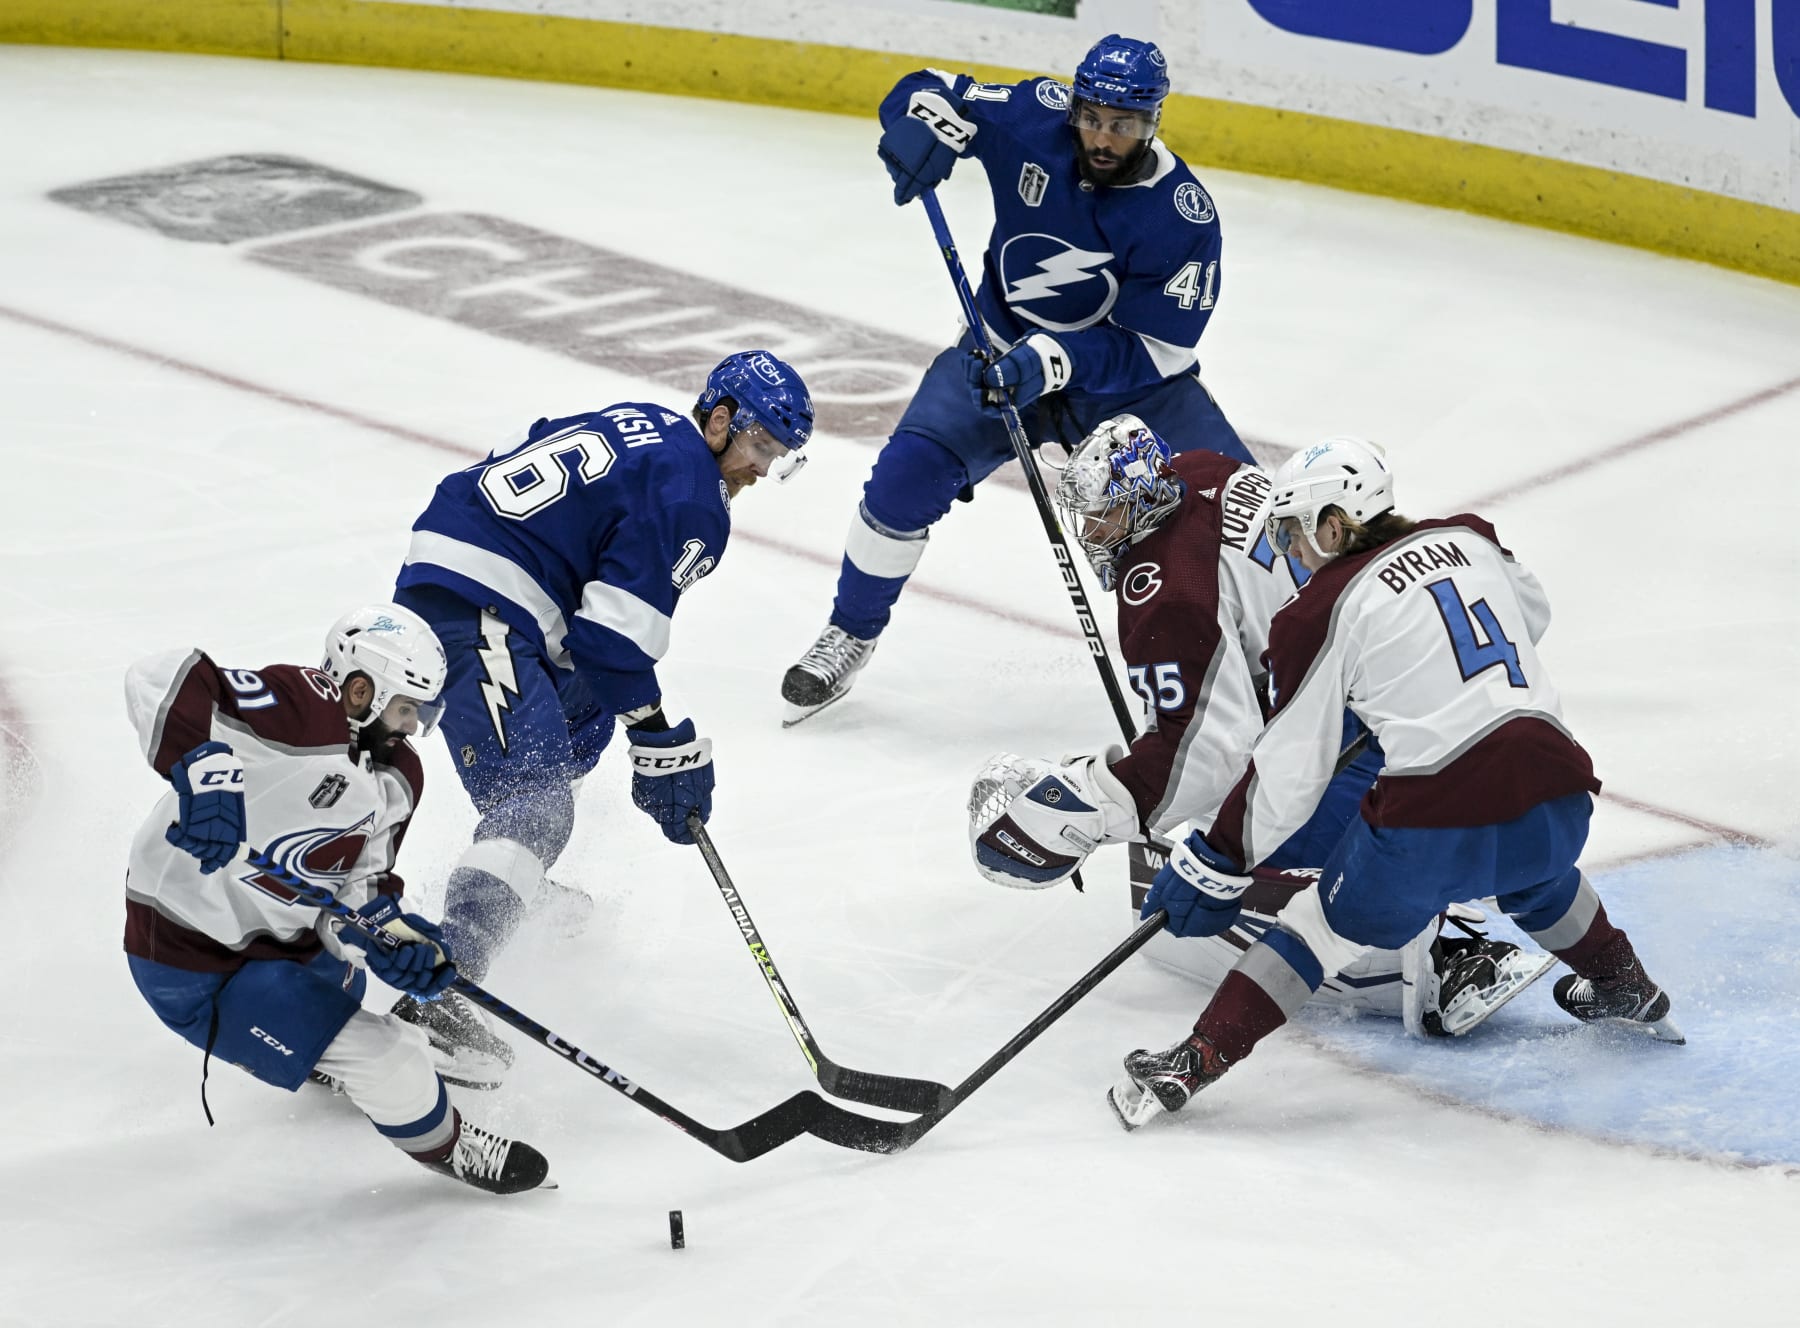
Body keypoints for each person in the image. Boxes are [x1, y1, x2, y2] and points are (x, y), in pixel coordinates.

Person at [1104, 436, 1681, 1129]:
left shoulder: (1318, 610)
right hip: (1561, 793)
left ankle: (1191, 1062)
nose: (1285, 552)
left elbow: (1290, 772)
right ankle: (1629, 987)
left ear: (1333, 523)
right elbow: (1532, 614)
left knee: (1316, 927)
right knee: (1534, 870)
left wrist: (1218, 861)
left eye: (1291, 533)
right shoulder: (1471, 538)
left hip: (1433, 824)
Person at [966, 418, 1550, 1036]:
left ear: (1138, 503)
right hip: (1446, 677)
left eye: (1100, 516)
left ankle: (1444, 962)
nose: (1089, 532)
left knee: (1252, 828)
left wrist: (1095, 804)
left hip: (1374, 719)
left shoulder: (1164, 589)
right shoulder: (1195, 470)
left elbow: (1208, 757)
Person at [782, 33, 1252, 725]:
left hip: (1128, 390)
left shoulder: (1181, 216)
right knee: (905, 476)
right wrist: (914, 124)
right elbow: (928, 85)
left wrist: (1056, 360)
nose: (1101, 136)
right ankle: (852, 631)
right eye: (1091, 117)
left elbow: (1158, 349)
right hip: (997, 355)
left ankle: (1239, 673)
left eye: (1122, 125)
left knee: (1235, 512)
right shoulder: (1036, 115)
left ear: (1153, 121)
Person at [389, 350, 813, 1085]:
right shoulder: (693, 499)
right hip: (481, 602)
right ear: (719, 421)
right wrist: (660, 738)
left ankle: (514, 871)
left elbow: (597, 642)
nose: (760, 470)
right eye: (759, 447)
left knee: (580, 721)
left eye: (777, 457)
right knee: (537, 796)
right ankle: (446, 983)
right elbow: (613, 640)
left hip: (483, 576)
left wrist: (643, 730)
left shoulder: (645, 425)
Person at [123, 604, 551, 1194]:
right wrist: (203, 766)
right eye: (406, 710)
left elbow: (357, 893)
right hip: (195, 961)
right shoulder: (297, 708)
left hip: (287, 942)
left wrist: (398, 941)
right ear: (359, 690)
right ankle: (449, 1144)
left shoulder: (399, 776)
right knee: (389, 1057)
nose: (411, 728)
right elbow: (160, 674)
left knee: (346, 988)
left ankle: (323, 1056)